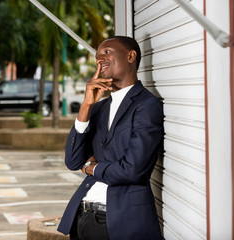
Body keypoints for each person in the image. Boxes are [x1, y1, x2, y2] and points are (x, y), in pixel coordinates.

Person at [57, 36, 164, 240]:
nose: (99, 59)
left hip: (118, 222)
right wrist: (86, 106)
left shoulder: (146, 106)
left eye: (106, 52)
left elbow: (132, 170)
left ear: (131, 56)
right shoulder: (99, 108)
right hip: (82, 217)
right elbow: (72, 161)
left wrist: (91, 168)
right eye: (97, 56)